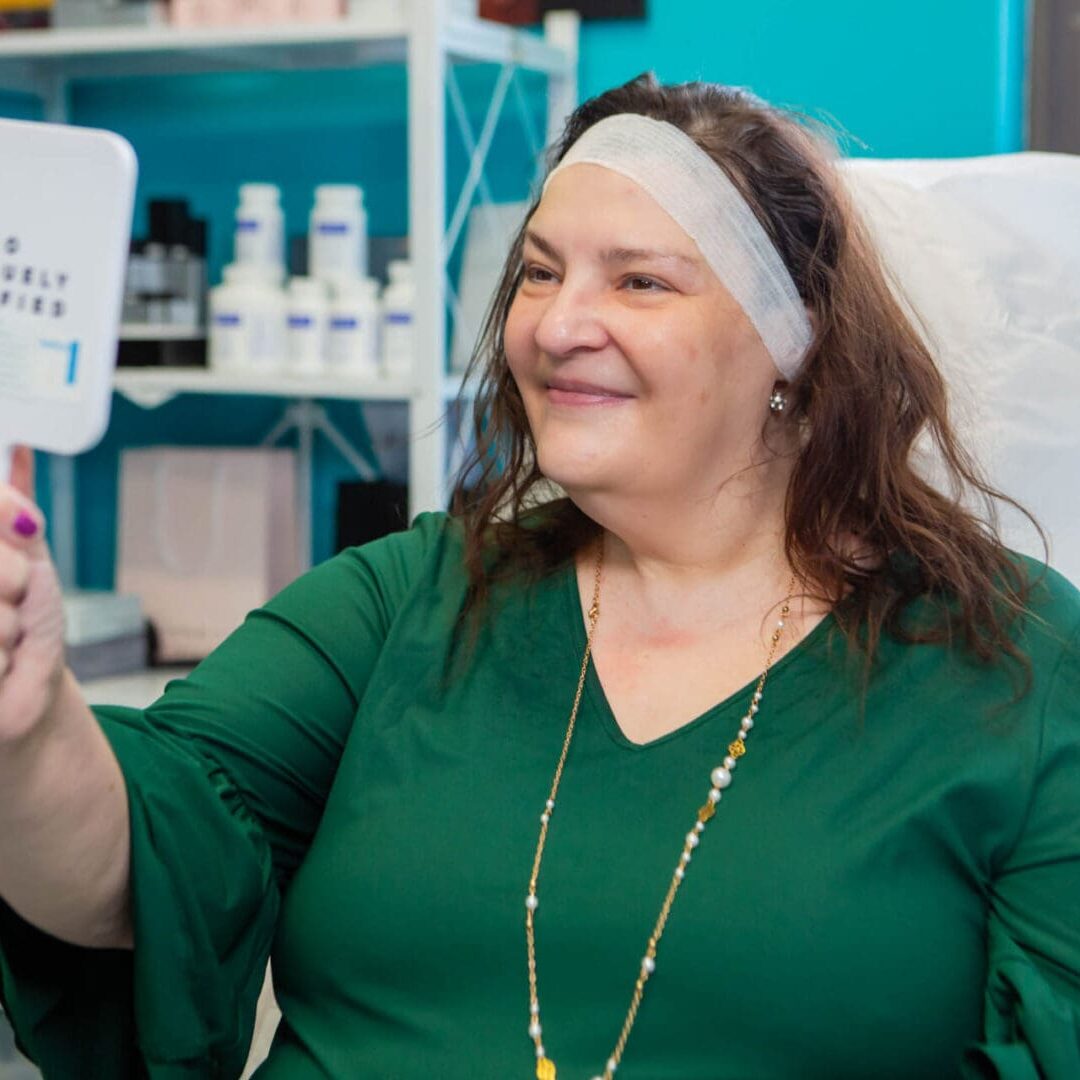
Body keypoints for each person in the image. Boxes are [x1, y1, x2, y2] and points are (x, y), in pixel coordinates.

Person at [0, 73, 1077, 1080]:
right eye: (541, 272)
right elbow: (148, 850)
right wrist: (31, 715)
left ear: (794, 341)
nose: (557, 327)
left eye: (641, 281)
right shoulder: (407, 601)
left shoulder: (1014, 668)